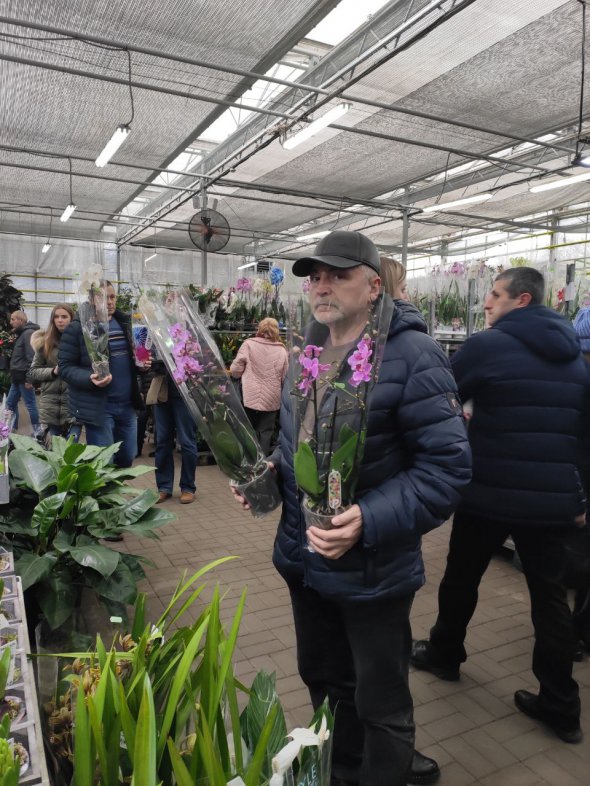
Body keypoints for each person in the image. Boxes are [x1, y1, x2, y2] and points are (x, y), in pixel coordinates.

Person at [232, 230, 472, 786]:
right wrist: (271, 471)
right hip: (304, 561)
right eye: (315, 275)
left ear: (372, 286)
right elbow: (301, 441)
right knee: (323, 680)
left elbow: (447, 469)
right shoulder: (308, 348)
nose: (322, 285)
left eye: (338, 274)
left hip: (372, 572)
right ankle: (341, 772)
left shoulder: (413, 354)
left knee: (380, 700)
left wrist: (368, 519)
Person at [411, 267, 588, 745]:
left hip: (487, 493)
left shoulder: (487, 345)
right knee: (549, 599)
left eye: (494, 294)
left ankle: (445, 655)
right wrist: (581, 496)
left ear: (521, 299)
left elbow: (443, 398)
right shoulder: (575, 356)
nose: (486, 303)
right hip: (552, 502)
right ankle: (562, 707)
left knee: (462, 577)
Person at [59, 281, 145, 468]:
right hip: (100, 408)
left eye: (112, 297)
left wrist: (143, 366)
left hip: (127, 406)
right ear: (91, 299)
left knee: (128, 456)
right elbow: (65, 367)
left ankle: (116, 495)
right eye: (103, 297)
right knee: (103, 463)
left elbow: (132, 361)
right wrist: (88, 378)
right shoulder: (77, 328)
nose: (110, 302)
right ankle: (103, 496)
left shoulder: (124, 323)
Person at [230, 317, 288, 454]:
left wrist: (238, 374)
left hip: (249, 395)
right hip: (271, 398)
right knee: (266, 432)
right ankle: (262, 466)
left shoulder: (248, 344)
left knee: (246, 430)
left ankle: (246, 463)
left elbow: (235, 370)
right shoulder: (282, 351)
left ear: (260, 329)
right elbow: (285, 377)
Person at [28, 303, 80, 440]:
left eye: (64, 316)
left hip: (74, 404)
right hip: (51, 406)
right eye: (56, 317)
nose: (60, 320)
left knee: (72, 447)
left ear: (72, 319)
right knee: (56, 451)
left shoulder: (81, 342)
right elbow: (33, 371)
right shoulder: (45, 343)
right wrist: (53, 371)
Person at [150, 361, 198, 505]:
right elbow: (146, 362)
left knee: (187, 442)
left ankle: (188, 487)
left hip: (185, 392)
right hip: (163, 391)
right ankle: (164, 487)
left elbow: (198, 358)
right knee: (162, 441)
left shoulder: (190, 338)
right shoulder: (155, 338)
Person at [6, 310, 41, 436]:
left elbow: (32, 357)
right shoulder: (21, 334)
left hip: (23, 377)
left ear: (21, 320)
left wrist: (29, 379)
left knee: (30, 404)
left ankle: (38, 432)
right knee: (10, 404)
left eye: (13, 319)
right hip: (17, 377)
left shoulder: (28, 333)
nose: (11, 322)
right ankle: (11, 429)